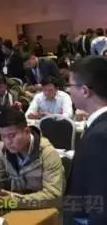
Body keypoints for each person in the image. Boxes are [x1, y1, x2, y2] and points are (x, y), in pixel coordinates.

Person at [0, 107, 64, 209]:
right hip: (14, 206)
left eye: (11, 135)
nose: (7, 142)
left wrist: (16, 201)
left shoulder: (48, 154)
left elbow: (53, 196)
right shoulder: (3, 150)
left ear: (27, 131)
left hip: (43, 210)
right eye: (3, 136)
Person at [65, 56, 107, 224]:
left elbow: (101, 201)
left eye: (70, 86)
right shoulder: (98, 126)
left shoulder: (99, 136)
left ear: (84, 91)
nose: (69, 91)